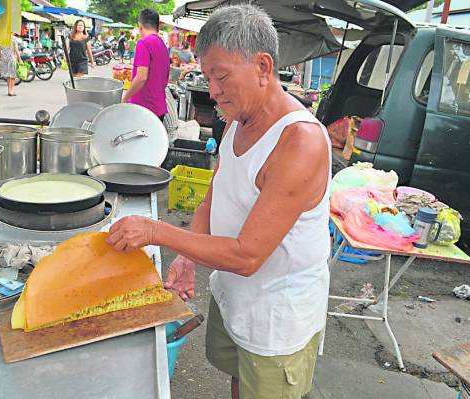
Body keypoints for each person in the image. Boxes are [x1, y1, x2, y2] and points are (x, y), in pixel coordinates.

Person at [107, 5, 331, 399]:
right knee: (236, 378)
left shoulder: (299, 142)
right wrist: (189, 256)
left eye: (221, 76)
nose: (212, 91)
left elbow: (247, 256)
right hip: (234, 294)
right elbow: (218, 191)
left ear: (263, 67)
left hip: (276, 315)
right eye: (208, 76)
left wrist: (159, 233)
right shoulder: (238, 118)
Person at [121, 9, 170, 121]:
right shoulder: (163, 45)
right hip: (159, 107)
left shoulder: (144, 42)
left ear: (140, 25)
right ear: (158, 26)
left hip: (144, 107)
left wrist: (125, 98)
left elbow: (142, 77)